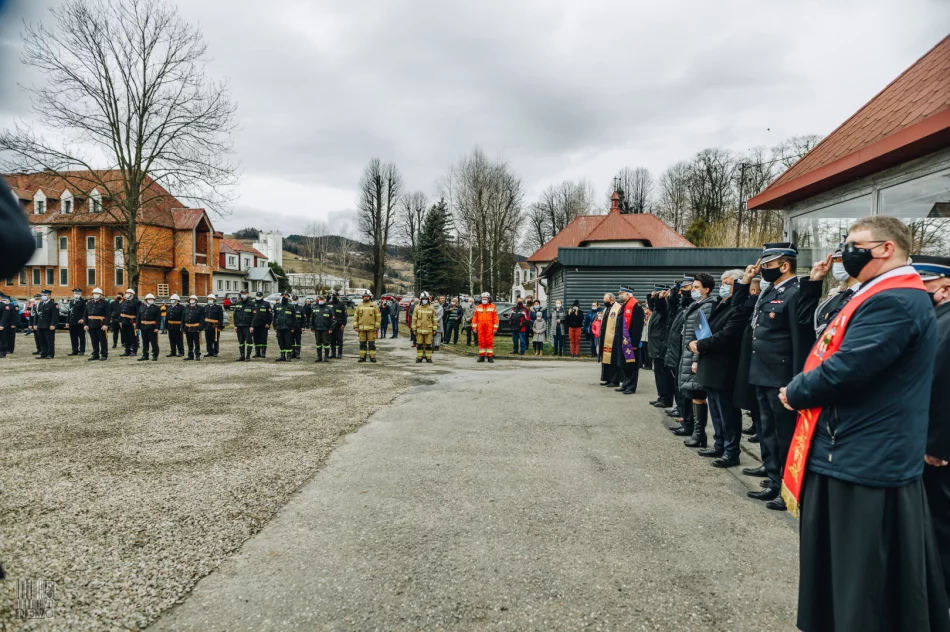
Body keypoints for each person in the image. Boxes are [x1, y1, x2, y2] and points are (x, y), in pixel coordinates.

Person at [779, 217, 948, 630]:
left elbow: (849, 368)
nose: (845, 251)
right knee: (845, 569)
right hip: (855, 448)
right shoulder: (883, 294)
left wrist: (796, 391)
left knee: (861, 576)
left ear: (886, 248)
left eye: (854, 243)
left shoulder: (894, 300)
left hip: (864, 455)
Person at [746, 242, 819, 512]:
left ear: (784, 265)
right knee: (767, 429)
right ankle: (773, 477)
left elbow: (799, 338)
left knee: (783, 433)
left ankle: (787, 487)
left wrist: (795, 380)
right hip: (763, 373)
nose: (763, 270)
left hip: (781, 375)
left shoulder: (795, 293)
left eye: (767, 265)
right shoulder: (771, 292)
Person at [915, 255, 950, 601]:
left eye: (922, 281)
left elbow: (943, 385)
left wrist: (938, 445)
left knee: (940, 522)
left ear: (945, 286)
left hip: (937, 446)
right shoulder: (935, 317)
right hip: (923, 436)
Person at [690, 270, 749, 468]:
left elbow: (727, 335)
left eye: (728, 283)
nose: (724, 286)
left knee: (727, 411)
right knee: (715, 408)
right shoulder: (721, 304)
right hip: (711, 363)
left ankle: (731, 451)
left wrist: (702, 345)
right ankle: (719, 444)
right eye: (722, 282)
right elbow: (708, 330)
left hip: (725, 366)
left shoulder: (738, 308)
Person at [664, 280, 694, 433]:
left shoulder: (694, 306)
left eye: (687, 287)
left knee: (684, 389)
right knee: (678, 386)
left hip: (684, 353)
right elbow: (670, 308)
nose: (684, 291)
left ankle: (686, 418)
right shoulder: (683, 307)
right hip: (675, 351)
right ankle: (682, 412)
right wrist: (674, 293)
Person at [647, 285, 675, 408]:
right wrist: (651, 297)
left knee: (664, 375)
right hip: (655, 346)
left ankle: (666, 399)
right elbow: (654, 307)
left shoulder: (666, 307)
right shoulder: (657, 311)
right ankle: (661, 396)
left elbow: (661, 308)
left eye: (658, 294)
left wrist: (661, 298)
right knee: (658, 374)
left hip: (660, 346)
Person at [82, 287, 110, 361]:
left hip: (100, 325)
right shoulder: (89, 303)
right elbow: (85, 315)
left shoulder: (105, 303)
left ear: (100, 295)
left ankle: (104, 354)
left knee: (102, 341)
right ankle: (95, 354)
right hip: (91, 324)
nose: (95, 295)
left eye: (97, 294)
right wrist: (85, 324)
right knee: (94, 341)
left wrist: (106, 324)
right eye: (94, 293)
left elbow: (108, 315)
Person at [354, 290, 381, 363]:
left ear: (370, 297)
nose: (366, 298)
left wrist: (377, 326)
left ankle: (373, 357)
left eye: (367, 296)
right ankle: (362, 357)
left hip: (371, 329)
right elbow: (356, 317)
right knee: (362, 344)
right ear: (362, 297)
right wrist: (356, 326)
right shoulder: (359, 306)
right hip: (361, 329)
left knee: (371, 344)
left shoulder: (374, 305)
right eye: (364, 296)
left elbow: (378, 317)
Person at [472, 292, 499, 363]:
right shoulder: (478, 307)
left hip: (489, 328)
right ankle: (482, 356)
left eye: (485, 299)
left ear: (488, 299)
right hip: (480, 328)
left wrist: (495, 328)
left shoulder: (493, 307)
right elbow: (474, 319)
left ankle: (490, 357)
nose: (484, 300)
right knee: (481, 342)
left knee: (489, 342)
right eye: (483, 299)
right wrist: (474, 328)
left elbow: (496, 319)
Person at [411, 292, 436, 363]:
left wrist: (434, 329)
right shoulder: (417, 307)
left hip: (429, 330)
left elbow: (434, 319)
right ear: (421, 299)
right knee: (419, 345)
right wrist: (414, 329)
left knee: (428, 345)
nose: (425, 300)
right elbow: (414, 319)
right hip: (419, 330)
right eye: (423, 299)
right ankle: (419, 357)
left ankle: (428, 358)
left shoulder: (431, 307)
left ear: (428, 299)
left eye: (426, 299)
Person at [310, 293, 334, 362]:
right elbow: (312, 318)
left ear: (325, 300)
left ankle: (326, 357)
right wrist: (312, 327)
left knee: (326, 343)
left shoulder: (329, 309)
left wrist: (331, 329)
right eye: (320, 299)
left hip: (325, 329)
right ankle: (319, 357)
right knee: (318, 344)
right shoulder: (315, 308)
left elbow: (332, 320)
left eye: (322, 299)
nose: (320, 300)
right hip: (317, 329)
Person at [273, 291, 296, 362]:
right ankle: (282, 356)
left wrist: (293, 327)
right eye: (283, 295)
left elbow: (293, 318)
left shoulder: (291, 306)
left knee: (288, 342)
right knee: (281, 342)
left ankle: (289, 356)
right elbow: (275, 317)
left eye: (286, 295)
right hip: (279, 327)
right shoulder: (277, 306)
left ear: (288, 297)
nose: (284, 296)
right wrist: (275, 326)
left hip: (287, 328)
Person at [34, 289, 58, 359]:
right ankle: (43, 353)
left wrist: (53, 324)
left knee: (49, 340)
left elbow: (55, 316)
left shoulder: (53, 304)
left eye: (45, 295)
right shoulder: (40, 304)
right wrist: (35, 324)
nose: (43, 296)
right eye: (42, 295)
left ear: (49, 296)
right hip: (40, 325)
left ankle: (50, 353)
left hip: (48, 325)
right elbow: (37, 315)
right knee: (41, 340)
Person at [137, 293, 161, 361]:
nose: (150, 300)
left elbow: (158, 318)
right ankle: (145, 355)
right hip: (143, 327)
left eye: (151, 299)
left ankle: (155, 355)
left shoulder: (156, 308)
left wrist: (157, 327)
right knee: (145, 342)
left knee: (154, 342)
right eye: (149, 299)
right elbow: (139, 317)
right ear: (146, 300)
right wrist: (137, 327)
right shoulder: (142, 307)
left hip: (152, 327)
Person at [232, 290, 254, 361]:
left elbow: (254, 316)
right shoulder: (238, 303)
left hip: (248, 326)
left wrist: (252, 326)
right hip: (239, 326)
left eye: (244, 293)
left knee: (249, 341)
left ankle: (248, 356)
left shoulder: (251, 304)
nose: (243, 295)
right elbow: (235, 315)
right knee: (241, 342)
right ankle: (242, 356)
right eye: (242, 294)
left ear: (247, 294)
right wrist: (235, 325)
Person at [251, 291, 273, 359]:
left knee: (263, 338)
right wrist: (251, 325)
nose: (258, 297)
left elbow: (270, 315)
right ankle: (257, 353)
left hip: (264, 325)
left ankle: (263, 353)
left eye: (260, 296)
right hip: (256, 324)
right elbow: (251, 315)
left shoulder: (266, 304)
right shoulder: (253, 304)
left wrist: (268, 323)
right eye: (257, 296)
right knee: (256, 339)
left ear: (262, 296)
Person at [182, 295, 204, 361]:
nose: (192, 300)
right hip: (187, 328)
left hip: (195, 328)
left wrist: (200, 328)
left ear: (196, 300)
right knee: (189, 342)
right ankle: (190, 355)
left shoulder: (200, 308)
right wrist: (182, 328)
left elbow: (202, 319)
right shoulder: (186, 308)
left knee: (196, 342)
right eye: (191, 299)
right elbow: (183, 319)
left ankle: (197, 355)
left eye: (193, 299)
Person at [119, 289, 140, 356]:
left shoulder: (136, 302)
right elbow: (121, 312)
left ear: (132, 294)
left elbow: (138, 313)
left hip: (132, 322)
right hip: (124, 321)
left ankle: (134, 350)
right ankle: (127, 350)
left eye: (129, 293)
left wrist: (136, 322)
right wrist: (120, 321)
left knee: (133, 337)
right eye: (126, 293)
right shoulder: (124, 302)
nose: (127, 294)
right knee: (126, 337)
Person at [67, 288, 87, 356]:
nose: (76, 295)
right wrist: (67, 322)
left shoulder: (83, 301)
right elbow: (69, 312)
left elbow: (85, 312)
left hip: (80, 322)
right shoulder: (71, 302)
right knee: (73, 337)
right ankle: (74, 350)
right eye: (75, 293)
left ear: (80, 294)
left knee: (81, 337)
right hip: (72, 322)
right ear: (73, 294)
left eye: (78, 293)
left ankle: (82, 350)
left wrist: (83, 319)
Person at [329, 291, 346, 359]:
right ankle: (333, 353)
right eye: (333, 296)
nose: (334, 297)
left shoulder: (342, 305)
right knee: (332, 340)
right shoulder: (329, 304)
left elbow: (344, 316)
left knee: (339, 340)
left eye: (336, 296)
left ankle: (339, 353)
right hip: (331, 325)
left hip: (339, 325)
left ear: (338, 297)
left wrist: (343, 324)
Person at [0, 293, 15, 358]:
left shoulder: (4, 306)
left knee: (3, 339)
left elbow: (4, 316)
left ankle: (3, 352)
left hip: (1, 324)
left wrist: (2, 324)